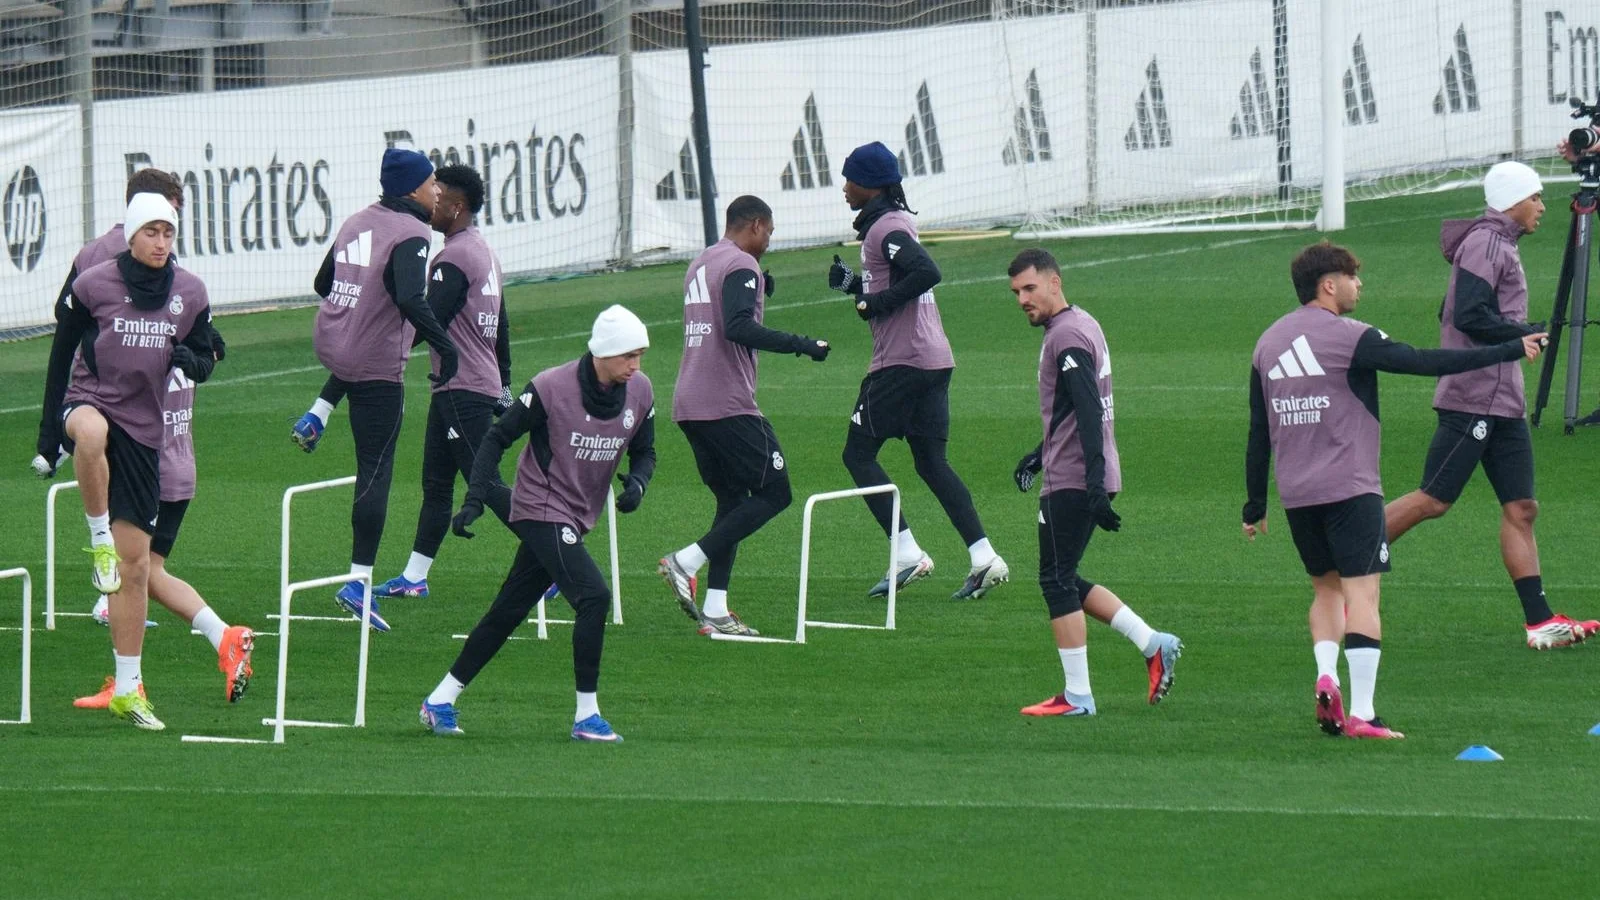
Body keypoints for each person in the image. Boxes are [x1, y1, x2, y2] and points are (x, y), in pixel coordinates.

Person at [1243, 241, 1547, 740]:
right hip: (1352, 487)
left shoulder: (1267, 343)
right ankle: (1363, 712)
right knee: (1364, 592)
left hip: (1296, 493)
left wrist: (1254, 504)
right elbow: (1424, 361)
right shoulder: (1351, 336)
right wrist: (1512, 348)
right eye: (1353, 277)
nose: (1359, 285)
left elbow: (1259, 431)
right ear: (1329, 284)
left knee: (1326, 589)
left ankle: (1325, 674)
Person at [1382, 162, 1598, 649]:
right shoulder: (1484, 242)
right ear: (1512, 200)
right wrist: (1522, 332)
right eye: (1536, 197)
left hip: (1504, 401)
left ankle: (1540, 622)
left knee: (1522, 508)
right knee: (1434, 499)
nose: (1543, 207)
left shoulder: (1497, 244)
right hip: (1474, 396)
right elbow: (1469, 314)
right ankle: (1349, 553)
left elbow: (1458, 312)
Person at [420, 305, 655, 742]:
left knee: (507, 612)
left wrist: (637, 485)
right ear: (603, 353)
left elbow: (646, 451)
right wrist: (475, 498)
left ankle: (439, 700)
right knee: (595, 597)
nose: (635, 365)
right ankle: (587, 717)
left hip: (578, 515)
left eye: (640, 355)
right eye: (628, 356)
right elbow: (496, 437)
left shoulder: (640, 391)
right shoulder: (551, 387)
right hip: (539, 507)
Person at [36, 193, 221, 730]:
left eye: (168, 233)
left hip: (146, 430)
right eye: (152, 232)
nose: (161, 243)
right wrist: (48, 439)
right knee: (90, 433)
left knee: (137, 568)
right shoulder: (92, 285)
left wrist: (195, 360)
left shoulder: (190, 291)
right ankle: (97, 541)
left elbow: (208, 352)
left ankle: (127, 686)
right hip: (88, 404)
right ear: (132, 235)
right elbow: (60, 353)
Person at [824, 141, 1006, 600]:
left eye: (850, 179)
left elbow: (925, 272)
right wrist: (856, 287)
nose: (844, 187)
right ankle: (985, 558)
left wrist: (873, 303)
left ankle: (908, 554)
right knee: (931, 462)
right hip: (934, 360)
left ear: (869, 184)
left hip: (901, 363)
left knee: (857, 456)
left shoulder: (884, 226)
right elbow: (896, 278)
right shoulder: (895, 223)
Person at [1007, 249, 1182, 717]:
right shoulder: (1082, 323)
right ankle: (1152, 643)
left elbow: (1088, 412)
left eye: (1030, 288)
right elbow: (1074, 412)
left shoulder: (1065, 337)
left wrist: (1091, 485)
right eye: (1017, 293)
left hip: (1077, 478)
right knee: (1066, 576)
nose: (1023, 299)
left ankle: (1078, 697)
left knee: (1055, 580)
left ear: (1054, 282)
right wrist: (1038, 455)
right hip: (1077, 470)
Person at [658, 195, 830, 637]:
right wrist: (803, 344)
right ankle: (686, 561)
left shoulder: (702, 262)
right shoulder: (741, 265)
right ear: (755, 225)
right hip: (725, 402)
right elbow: (737, 326)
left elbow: (721, 311)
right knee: (777, 493)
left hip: (690, 403)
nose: (768, 241)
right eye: (769, 232)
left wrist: (758, 289)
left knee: (733, 502)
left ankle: (716, 610)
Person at [305, 148, 458, 632]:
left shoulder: (356, 220)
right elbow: (412, 297)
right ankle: (358, 582)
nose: (438, 190)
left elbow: (322, 281)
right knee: (375, 472)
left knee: (370, 460)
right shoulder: (413, 231)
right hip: (374, 370)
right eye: (432, 182)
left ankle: (319, 409)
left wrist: (358, 312)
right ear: (412, 188)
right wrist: (443, 344)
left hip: (334, 343)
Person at [370, 164, 514, 600]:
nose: (432, 202)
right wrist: (504, 382)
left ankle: (555, 557)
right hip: (463, 385)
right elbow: (502, 324)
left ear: (458, 206)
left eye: (440, 195)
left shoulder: (453, 257)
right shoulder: (483, 251)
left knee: (483, 482)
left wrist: (376, 340)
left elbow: (429, 317)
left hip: (462, 388)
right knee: (436, 485)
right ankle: (415, 576)